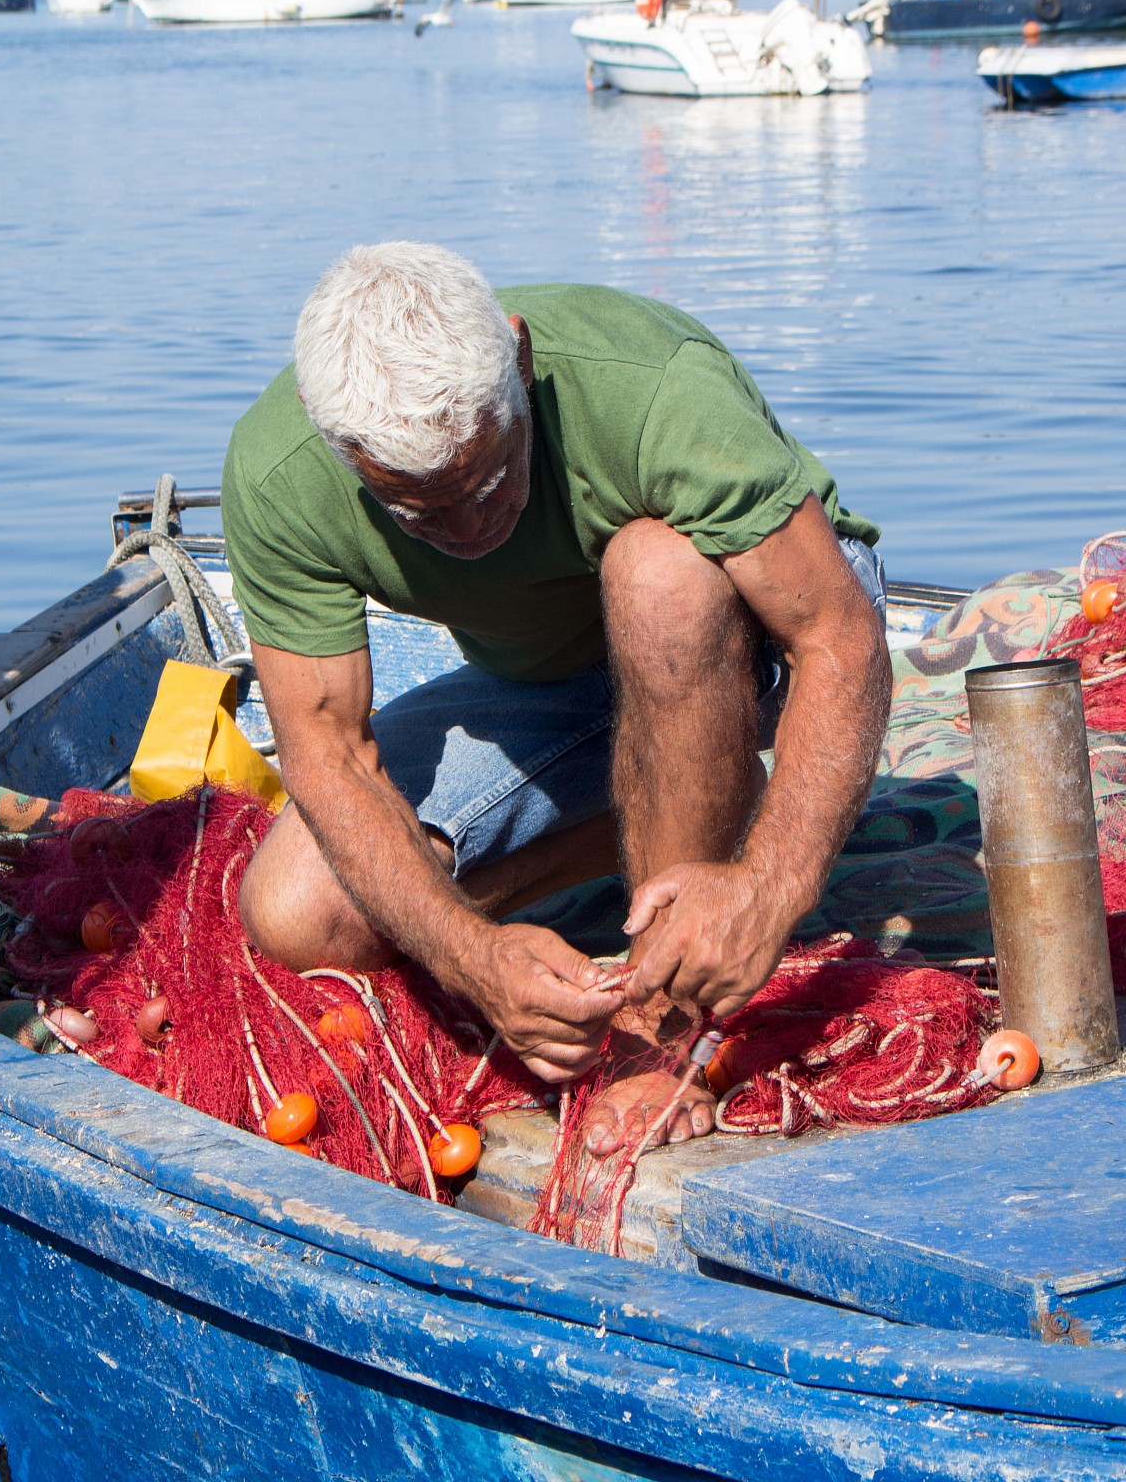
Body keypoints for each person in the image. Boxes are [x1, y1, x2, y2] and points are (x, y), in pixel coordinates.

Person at [226, 243, 889, 1156]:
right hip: (550, 676)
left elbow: (838, 638)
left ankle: (665, 1019)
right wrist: (468, 955)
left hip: (764, 620)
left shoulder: (654, 387)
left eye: (491, 476)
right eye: (420, 512)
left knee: (657, 574)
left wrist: (771, 890)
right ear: (334, 440)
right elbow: (326, 752)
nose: (471, 529)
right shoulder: (281, 474)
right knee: (302, 916)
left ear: (520, 355)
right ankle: (684, 819)